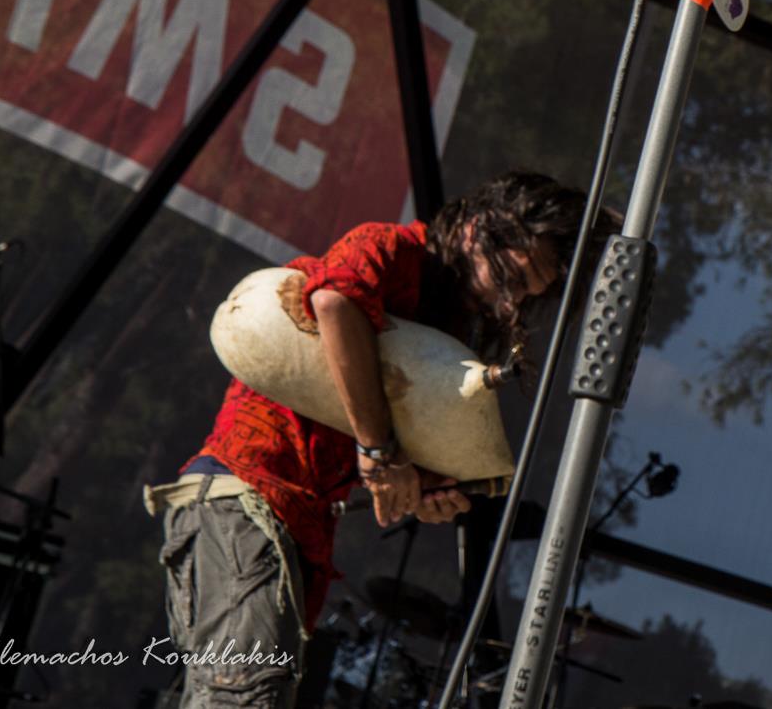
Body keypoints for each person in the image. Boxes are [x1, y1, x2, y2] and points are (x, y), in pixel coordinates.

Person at [146, 171, 586, 707]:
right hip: (244, 496)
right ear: (478, 228)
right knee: (242, 698)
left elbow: (367, 431)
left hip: (290, 524)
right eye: (511, 278)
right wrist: (380, 454)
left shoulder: (440, 325)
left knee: (239, 695)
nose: (507, 303)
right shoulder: (391, 247)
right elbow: (334, 303)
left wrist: (423, 492)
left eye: (524, 295)